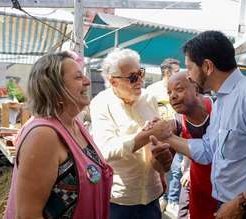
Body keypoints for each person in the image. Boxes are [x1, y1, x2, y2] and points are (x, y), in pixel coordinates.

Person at [151, 31, 246, 219]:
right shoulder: (222, 100)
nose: (188, 76)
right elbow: (208, 150)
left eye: (190, 68)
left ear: (207, 66)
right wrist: (168, 136)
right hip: (234, 206)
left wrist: (242, 203)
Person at [4, 51, 113, 219]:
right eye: (78, 77)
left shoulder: (74, 124)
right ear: (55, 87)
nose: (88, 81)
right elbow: (27, 215)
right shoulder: (44, 135)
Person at [90, 48, 172, 219]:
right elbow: (105, 150)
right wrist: (144, 135)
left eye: (140, 73)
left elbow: (154, 144)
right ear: (113, 81)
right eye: (132, 77)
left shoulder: (149, 99)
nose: (140, 81)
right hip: (119, 200)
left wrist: (162, 170)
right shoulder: (101, 103)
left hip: (151, 195)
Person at [167, 71, 217, 219]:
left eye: (179, 89)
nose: (172, 96)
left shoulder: (219, 108)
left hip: (227, 189)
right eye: (169, 92)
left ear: (195, 88)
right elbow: (161, 166)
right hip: (199, 187)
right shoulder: (177, 121)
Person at [146, 58, 182, 214]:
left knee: (176, 169)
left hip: (176, 134)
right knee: (159, 168)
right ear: (167, 72)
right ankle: (162, 195)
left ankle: (171, 199)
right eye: (176, 70)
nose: (179, 73)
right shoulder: (152, 90)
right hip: (157, 136)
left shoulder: (179, 89)